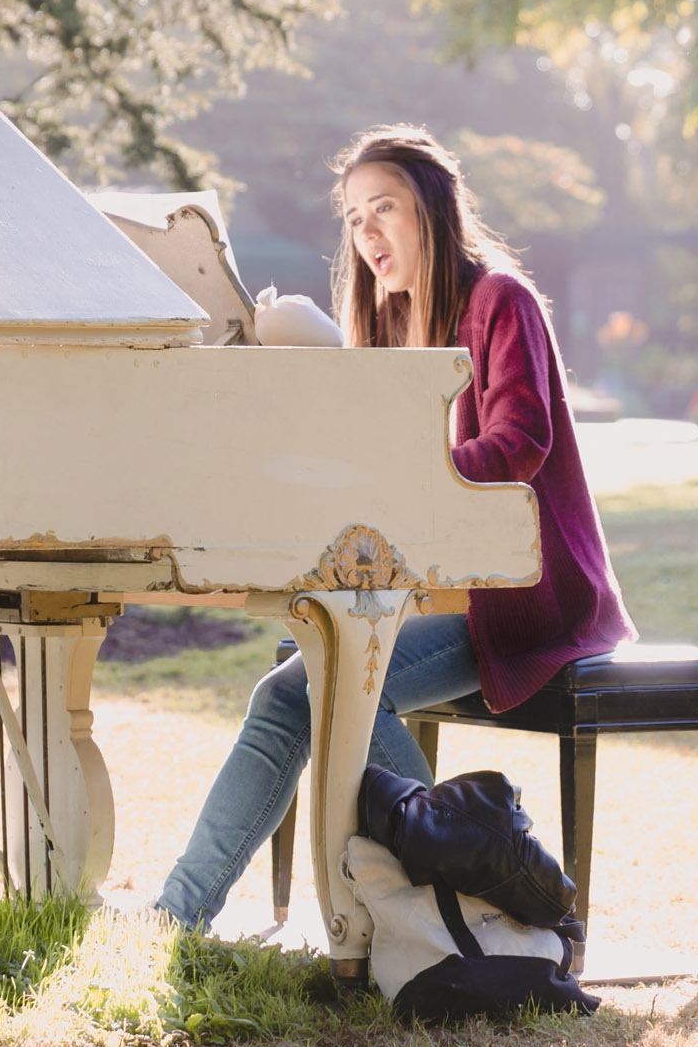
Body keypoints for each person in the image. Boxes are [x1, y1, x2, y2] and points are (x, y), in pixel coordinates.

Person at [154, 125, 636, 932]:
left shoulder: (499, 300)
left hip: (523, 594)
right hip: (436, 588)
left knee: (330, 688)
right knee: (291, 692)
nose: (367, 232)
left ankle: (489, 901)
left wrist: (405, 478)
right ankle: (181, 914)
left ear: (433, 211)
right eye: (353, 216)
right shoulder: (389, 323)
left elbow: (520, 442)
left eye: (385, 208)